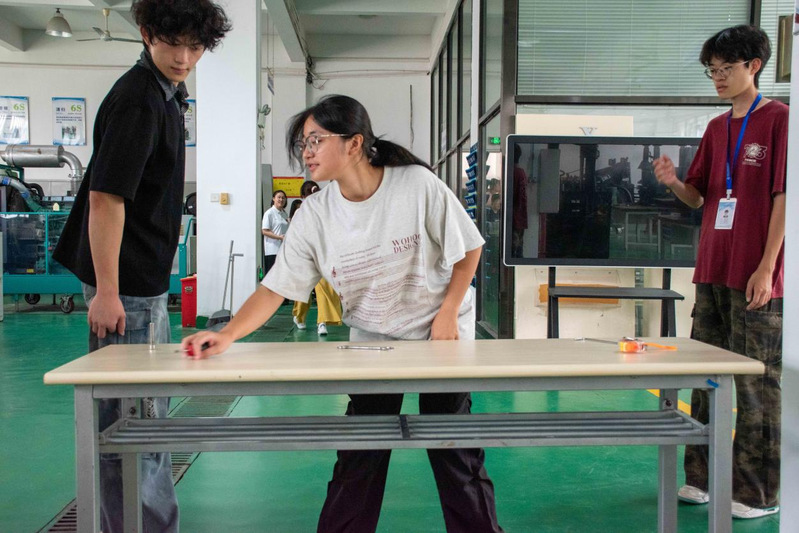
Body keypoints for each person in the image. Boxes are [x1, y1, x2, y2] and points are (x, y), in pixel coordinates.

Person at [183, 94, 503, 533]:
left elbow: (469, 249)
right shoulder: (315, 214)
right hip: (374, 342)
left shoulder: (415, 185)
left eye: (316, 140)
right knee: (360, 456)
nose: (306, 152)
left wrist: (448, 312)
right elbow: (275, 288)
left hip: (440, 335)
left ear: (354, 144)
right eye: (303, 143)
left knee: (455, 453)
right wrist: (228, 334)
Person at [52, 1, 230, 531]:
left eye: (195, 47)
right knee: (127, 431)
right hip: (125, 290)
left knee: (148, 421)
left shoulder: (167, 94)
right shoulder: (139, 100)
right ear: (148, 34)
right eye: (173, 43)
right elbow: (106, 197)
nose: (184, 57)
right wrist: (108, 291)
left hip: (144, 286)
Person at [653, 25, 786, 520]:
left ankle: (757, 493)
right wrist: (672, 182)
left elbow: (784, 197)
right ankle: (702, 477)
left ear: (754, 66)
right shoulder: (715, 128)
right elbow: (698, 197)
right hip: (712, 270)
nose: (718, 79)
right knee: (705, 376)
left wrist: (767, 267)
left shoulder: (780, 121)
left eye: (726, 69)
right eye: (712, 71)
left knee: (755, 383)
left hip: (755, 274)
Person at [291, 180, 343, 335]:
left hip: (323, 255)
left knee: (325, 288)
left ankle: (322, 322)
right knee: (304, 290)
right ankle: (299, 316)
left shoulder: (325, 211)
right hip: (305, 256)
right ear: (303, 196)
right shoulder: (299, 213)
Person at [262, 189, 289, 274]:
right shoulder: (269, 213)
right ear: (273, 198)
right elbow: (264, 231)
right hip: (272, 250)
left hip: (283, 250)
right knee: (273, 276)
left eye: (283, 198)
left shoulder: (284, 213)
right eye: (279, 197)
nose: (281, 199)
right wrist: (279, 237)